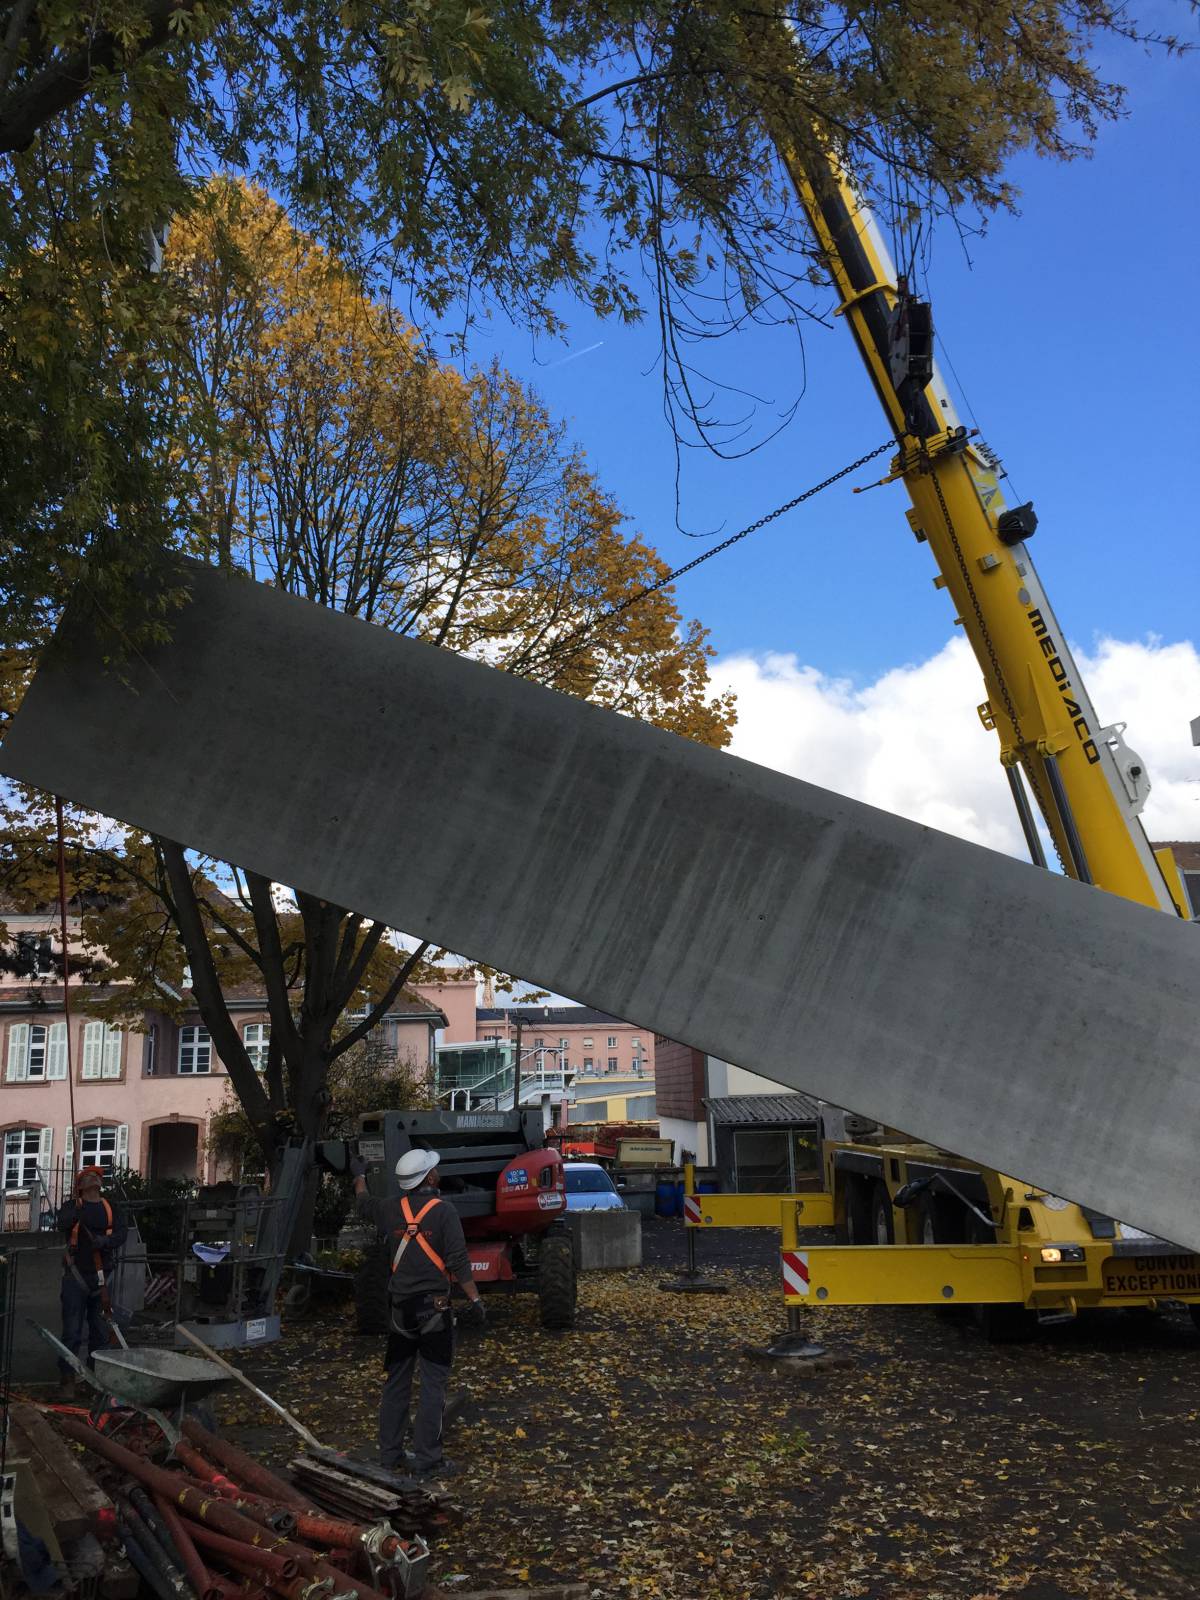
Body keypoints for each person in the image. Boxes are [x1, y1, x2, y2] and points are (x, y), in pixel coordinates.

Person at [352, 1146, 485, 1480]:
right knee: (432, 1385)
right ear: (429, 1177)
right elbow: (457, 1261)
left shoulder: (389, 1209)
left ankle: (389, 1454)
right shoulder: (444, 1212)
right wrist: (474, 1300)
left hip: (399, 1311)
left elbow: (362, 1203)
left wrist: (359, 1174)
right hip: (434, 1311)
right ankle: (428, 1459)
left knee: (396, 1382)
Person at [56, 1165, 128, 1394]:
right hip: (75, 1276)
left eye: (95, 1176)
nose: (92, 1178)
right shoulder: (71, 1207)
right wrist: (75, 1212)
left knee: (99, 1332)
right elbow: (62, 1224)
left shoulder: (111, 1208)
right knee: (72, 1331)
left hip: (101, 1277)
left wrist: (105, 1242)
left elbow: (120, 1234)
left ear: (100, 1182)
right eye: (86, 1177)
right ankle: (68, 1379)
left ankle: (93, 1380)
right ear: (79, 1186)